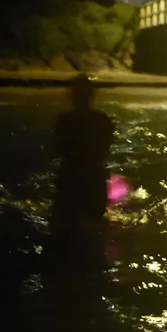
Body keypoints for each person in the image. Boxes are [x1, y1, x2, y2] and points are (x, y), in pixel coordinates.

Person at [52, 73, 115, 231]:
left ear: (72, 96)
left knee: (65, 223)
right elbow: (105, 148)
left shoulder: (64, 120)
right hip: (93, 174)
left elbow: (56, 148)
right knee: (95, 223)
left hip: (71, 174)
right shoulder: (102, 120)